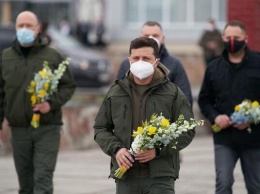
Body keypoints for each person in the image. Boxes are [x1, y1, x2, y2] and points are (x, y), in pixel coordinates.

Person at [94, 37, 196, 194]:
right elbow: (100, 128)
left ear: (156, 61)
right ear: (129, 60)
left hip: (161, 177)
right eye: (136, 58)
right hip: (126, 177)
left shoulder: (172, 92)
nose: (140, 62)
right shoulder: (116, 92)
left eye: (146, 58)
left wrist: (157, 150)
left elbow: (187, 129)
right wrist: (117, 150)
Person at [0, 11, 76, 194]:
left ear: (38, 29)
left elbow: (68, 86)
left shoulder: (52, 55)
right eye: (20, 26)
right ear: (15, 28)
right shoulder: (5, 57)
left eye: (29, 26)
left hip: (47, 128)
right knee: (25, 184)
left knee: (42, 179)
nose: (24, 29)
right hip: (19, 129)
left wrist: (50, 103)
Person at [198, 20, 260, 194]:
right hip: (224, 138)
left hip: (254, 138)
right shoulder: (213, 68)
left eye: (236, 37)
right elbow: (204, 100)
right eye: (229, 37)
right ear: (223, 38)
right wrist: (215, 117)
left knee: (256, 186)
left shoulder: (258, 63)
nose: (232, 40)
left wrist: (253, 118)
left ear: (245, 38)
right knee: (223, 183)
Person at [116, 21, 193, 106]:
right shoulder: (126, 64)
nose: (150, 38)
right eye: (146, 35)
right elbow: (117, 96)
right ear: (139, 37)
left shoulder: (174, 64)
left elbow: (185, 98)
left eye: (155, 35)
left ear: (162, 38)